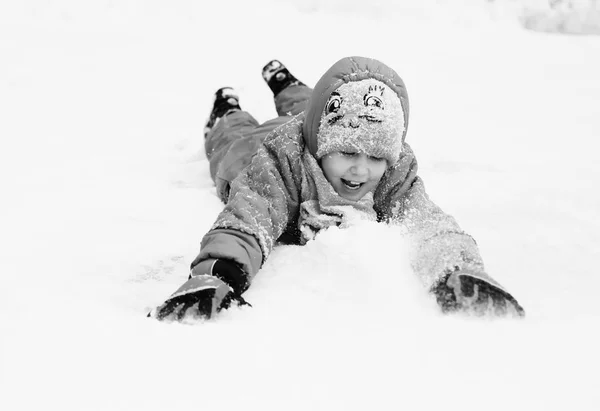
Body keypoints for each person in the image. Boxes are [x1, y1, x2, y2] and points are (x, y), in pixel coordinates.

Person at [149, 56, 525, 322]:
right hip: (250, 149)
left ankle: (290, 87)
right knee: (232, 140)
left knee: (306, 103)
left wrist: (457, 268)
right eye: (346, 152)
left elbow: (425, 220)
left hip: (308, 117)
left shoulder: (391, 169)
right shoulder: (278, 164)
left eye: (375, 157)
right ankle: (227, 110)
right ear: (320, 141)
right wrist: (220, 273)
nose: (361, 169)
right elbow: (250, 215)